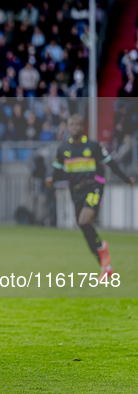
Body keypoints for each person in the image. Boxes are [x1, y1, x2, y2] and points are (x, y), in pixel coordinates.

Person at [45, 114, 135, 281]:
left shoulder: (93, 146)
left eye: (77, 124)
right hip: (75, 191)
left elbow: (110, 163)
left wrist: (125, 178)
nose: (74, 128)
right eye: (71, 125)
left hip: (94, 186)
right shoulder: (62, 149)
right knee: (85, 228)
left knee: (84, 221)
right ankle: (105, 265)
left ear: (82, 127)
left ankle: (103, 251)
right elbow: (57, 173)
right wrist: (51, 180)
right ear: (68, 127)